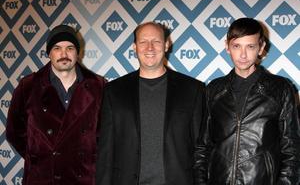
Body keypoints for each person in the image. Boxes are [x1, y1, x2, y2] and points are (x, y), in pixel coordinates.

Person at [96, 22, 206, 185]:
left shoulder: (193, 89)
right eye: (143, 42)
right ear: (134, 47)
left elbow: (201, 149)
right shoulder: (113, 91)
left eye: (156, 41)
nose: (150, 48)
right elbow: (106, 151)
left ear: (167, 44)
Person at [198, 18, 300, 184]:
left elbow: (292, 149)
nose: (243, 54)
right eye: (237, 46)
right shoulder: (214, 89)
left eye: (250, 46)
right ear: (227, 47)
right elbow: (203, 146)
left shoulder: (280, 88)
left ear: (261, 48)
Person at [6, 25, 106, 185]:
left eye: (70, 48)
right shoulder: (28, 86)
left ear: (77, 51)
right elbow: (14, 132)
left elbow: (107, 135)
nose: (64, 54)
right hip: (42, 179)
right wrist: (39, 157)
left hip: (84, 178)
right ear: (49, 53)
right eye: (57, 48)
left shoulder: (98, 86)